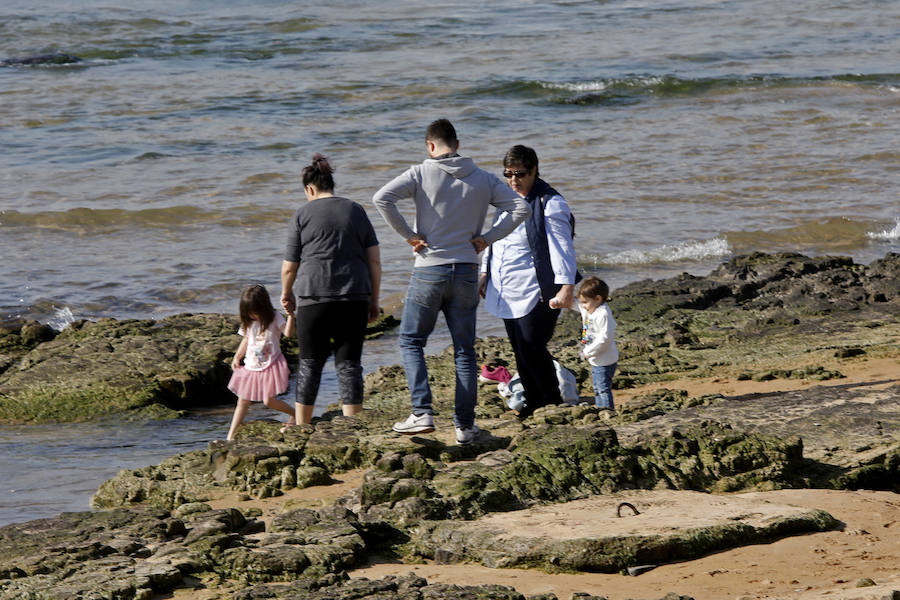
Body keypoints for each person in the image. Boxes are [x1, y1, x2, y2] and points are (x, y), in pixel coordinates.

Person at [373, 118, 529, 445]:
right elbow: (520, 208)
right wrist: (487, 238)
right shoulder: (484, 178)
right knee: (464, 351)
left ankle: (422, 412)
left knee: (412, 341)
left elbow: (381, 199)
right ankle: (465, 427)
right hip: (467, 270)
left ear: (431, 146)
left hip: (430, 267)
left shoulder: (419, 172)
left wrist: (409, 236)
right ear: (457, 144)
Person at [281, 154, 381, 426]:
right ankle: (353, 426)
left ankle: (302, 428)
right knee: (349, 365)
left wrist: (286, 293)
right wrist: (374, 301)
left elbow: (290, 266)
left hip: (314, 298)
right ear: (330, 184)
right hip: (354, 297)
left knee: (310, 365)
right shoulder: (355, 210)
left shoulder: (302, 214)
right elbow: (374, 260)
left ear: (309, 189)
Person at [479, 144, 578, 419]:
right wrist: (484, 273)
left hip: (539, 288)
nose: (514, 181)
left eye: (520, 174)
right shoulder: (506, 200)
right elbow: (495, 238)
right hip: (506, 287)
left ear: (534, 170)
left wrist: (566, 286)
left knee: (532, 344)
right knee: (520, 347)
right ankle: (533, 401)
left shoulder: (551, 203)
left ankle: (551, 401)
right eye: (508, 174)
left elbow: (563, 247)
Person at [226, 284, 296, 440]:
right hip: (251, 365)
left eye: (255, 312)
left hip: (271, 365)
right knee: (243, 400)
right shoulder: (249, 321)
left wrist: (291, 316)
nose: (252, 316)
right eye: (249, 313)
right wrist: (237, 357)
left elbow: (289, 333)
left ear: (263, 307)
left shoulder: (274, 317)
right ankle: (231, 435)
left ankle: (295, 414)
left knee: (269, 401)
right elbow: (246, 339)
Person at [576, 277, 618, 410]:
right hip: (596, 359)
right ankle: (601, 409)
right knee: (597, 387)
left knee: (602, 388)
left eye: (585, 302)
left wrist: (587, 352)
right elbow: (578, 306)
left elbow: (605, 339)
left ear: (598, 299)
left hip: (605, 360)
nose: (583, 305)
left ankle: (607, 411)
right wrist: (561, 302)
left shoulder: (603, 314)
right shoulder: (591, 308)